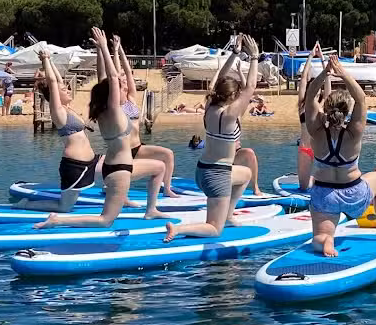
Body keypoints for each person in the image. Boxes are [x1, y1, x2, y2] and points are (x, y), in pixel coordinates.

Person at [35, 28, 169, 229]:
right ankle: (58, 219)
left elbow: (104, 78)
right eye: (120, 87)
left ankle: (149, 209)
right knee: (106, 220)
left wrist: (101, 50)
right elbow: (112, 79)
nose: (123, 87)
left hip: (110, 164)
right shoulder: (114, 111)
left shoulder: (103, 112)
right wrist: (105, 48)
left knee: (159, 166)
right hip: (119, 168)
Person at [164, 35, 260, 242]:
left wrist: (234, 54)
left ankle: (227, 213)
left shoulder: (209, 106)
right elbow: (250, 87)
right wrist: (254, 57)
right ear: (233, 97)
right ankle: (178, 230)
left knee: (245, 174)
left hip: (202, 171)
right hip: (217, 176)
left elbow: (218, 81)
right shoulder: (229, 115)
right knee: (215, 229)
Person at [305, 55, 376, 257]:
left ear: (326, 108)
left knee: (319, 237)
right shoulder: (354, 133)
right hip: (353, 193)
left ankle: (326, 240)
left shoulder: (316, 132)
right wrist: (343, 73)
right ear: (347, 111)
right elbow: (360, 97)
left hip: (324, 194)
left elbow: (310, 96)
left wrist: (325, 73)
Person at [16, 51, 103, 212]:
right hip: (75, 166)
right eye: (65, 89)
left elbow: (58, 79)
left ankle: (118, 196)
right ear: (55, 94)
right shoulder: (58, 112)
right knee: (65, 207)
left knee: (117, 165)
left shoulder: (68, 108)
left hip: (92, 161)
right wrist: (46, 60)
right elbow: (53, 82)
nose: (68, 90)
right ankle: (25, 204)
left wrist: (49, 62)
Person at [111, 36, 180, 197]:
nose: (127, 82)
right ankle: (113, 186)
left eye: (127, 81)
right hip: (123, 151)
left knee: (167, 154)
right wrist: (114, 52)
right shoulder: (115, 104)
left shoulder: (132, 99)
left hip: (138, 147)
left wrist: (120, 49)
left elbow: (127, 71)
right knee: (125, 178)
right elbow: (116, 74)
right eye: (123, 82)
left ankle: (167, 188)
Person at [296, 42, 331, 190]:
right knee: (304, 187)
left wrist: (323, 59)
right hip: (305, 149)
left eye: (318, 85)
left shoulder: (324, 104)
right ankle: (312, 179)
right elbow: (304, 79)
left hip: (322, 150)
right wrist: (310, 56)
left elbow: (328, 82)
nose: (315, 88)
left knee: (326, 185)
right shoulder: (303, 105)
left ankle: (318, 179)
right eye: (313, 86)